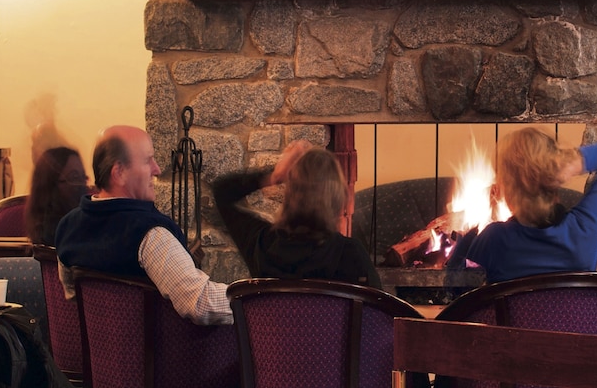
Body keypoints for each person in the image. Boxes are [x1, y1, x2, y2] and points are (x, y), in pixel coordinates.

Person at [55, 125, 232, 325]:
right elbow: (200, 304)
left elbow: (71, 298)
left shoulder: (67, 226)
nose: (157, 170)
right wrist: (251, 301)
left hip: (99, 354)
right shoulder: (149, 234)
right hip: (168, 355)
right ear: (119, 172)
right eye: (148, 160)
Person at [455, 128, 597, 284]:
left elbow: (457, 290)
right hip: (574, 323)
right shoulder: (585, 228)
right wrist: (570, 163)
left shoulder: (494, 238)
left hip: (512, 323)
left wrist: (464, 240)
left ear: (507, 188)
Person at [211, 140, 382, 288]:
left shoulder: (262, 245)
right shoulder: (351, 253)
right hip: (328, 327)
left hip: (274, 327)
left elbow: (222, 192)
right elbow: (381, 317)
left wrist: (274, 176)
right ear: (337, 199)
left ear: (290, 194)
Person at [24, 146, 90, 246]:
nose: (82, 185)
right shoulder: (56, 232)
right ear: (50, 185)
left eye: (83, 177)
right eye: (74, 178)